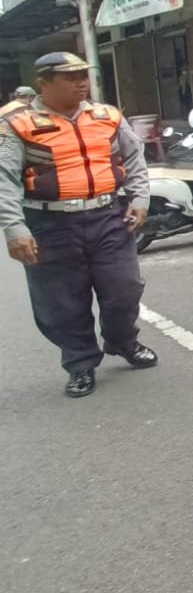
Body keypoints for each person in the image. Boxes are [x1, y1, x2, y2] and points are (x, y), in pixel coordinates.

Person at [0, 53, 155, 398]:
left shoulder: (106, 116)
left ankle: (122, 341)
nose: (81, 83)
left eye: (83, 75)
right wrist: (14, 228)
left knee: (124, 288)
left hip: (108, 216)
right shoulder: (16, 125)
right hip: (49, 224)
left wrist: (140, 199)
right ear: (44, 84)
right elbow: (4, 179)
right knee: (61, 300)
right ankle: (80, 362)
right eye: (70, 78)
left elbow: (134, 157)